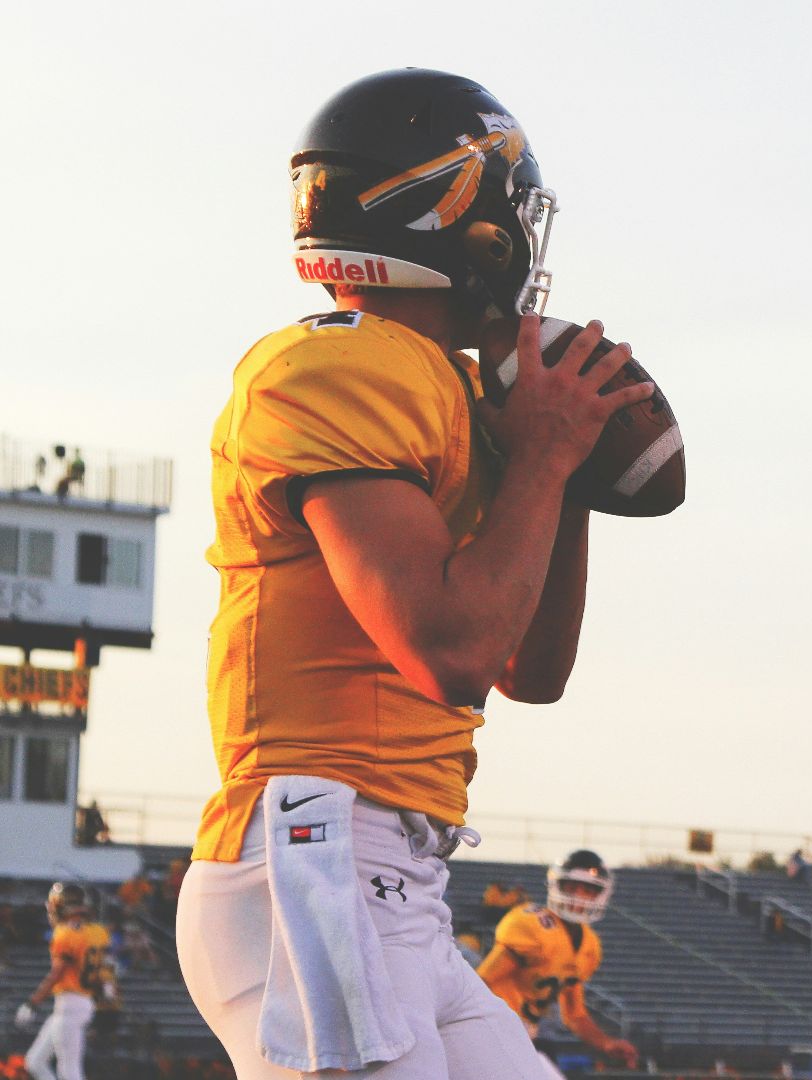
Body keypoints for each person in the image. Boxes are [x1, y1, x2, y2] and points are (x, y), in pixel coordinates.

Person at [175, 68, 657, 1080]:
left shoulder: (445, 389)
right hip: (316, 850)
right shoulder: (342, 367)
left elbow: (530, 668)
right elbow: (451, 650)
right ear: (462, 216)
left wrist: (559, 469)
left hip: (396, 875)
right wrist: (544, 455)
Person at [477, 851, 640, 1076]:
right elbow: (481, 982)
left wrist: (606, 1043)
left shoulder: (588, 945)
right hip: (492, 1031)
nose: (579, 896)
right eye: (572, 886)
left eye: (588, 890)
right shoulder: (531, 924)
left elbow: (575, 1015)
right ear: (556, 884)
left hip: (524, 1036)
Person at [14, 883, 104, 1080]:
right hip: (79, 1003)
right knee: (34, 1061)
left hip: (70, 1004)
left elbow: (57, 973)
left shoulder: (65, 933)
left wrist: (33, 1003)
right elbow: (101, 970)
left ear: (62, 906)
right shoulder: (96, 931)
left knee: (69, 1070)